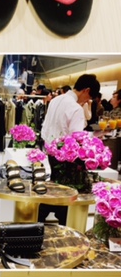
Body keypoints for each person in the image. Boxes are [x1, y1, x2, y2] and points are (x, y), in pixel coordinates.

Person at [40, 73, 100, 225]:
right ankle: (63, 227)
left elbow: (46, 126)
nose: (86, 101)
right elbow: (77, 138)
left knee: (54, 188)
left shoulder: (55, 100)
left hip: (51, 152)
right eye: (89, 97)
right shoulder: (75, 108)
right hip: (66, 158)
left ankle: (39, 220)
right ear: (86, 90)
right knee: (67, 193)